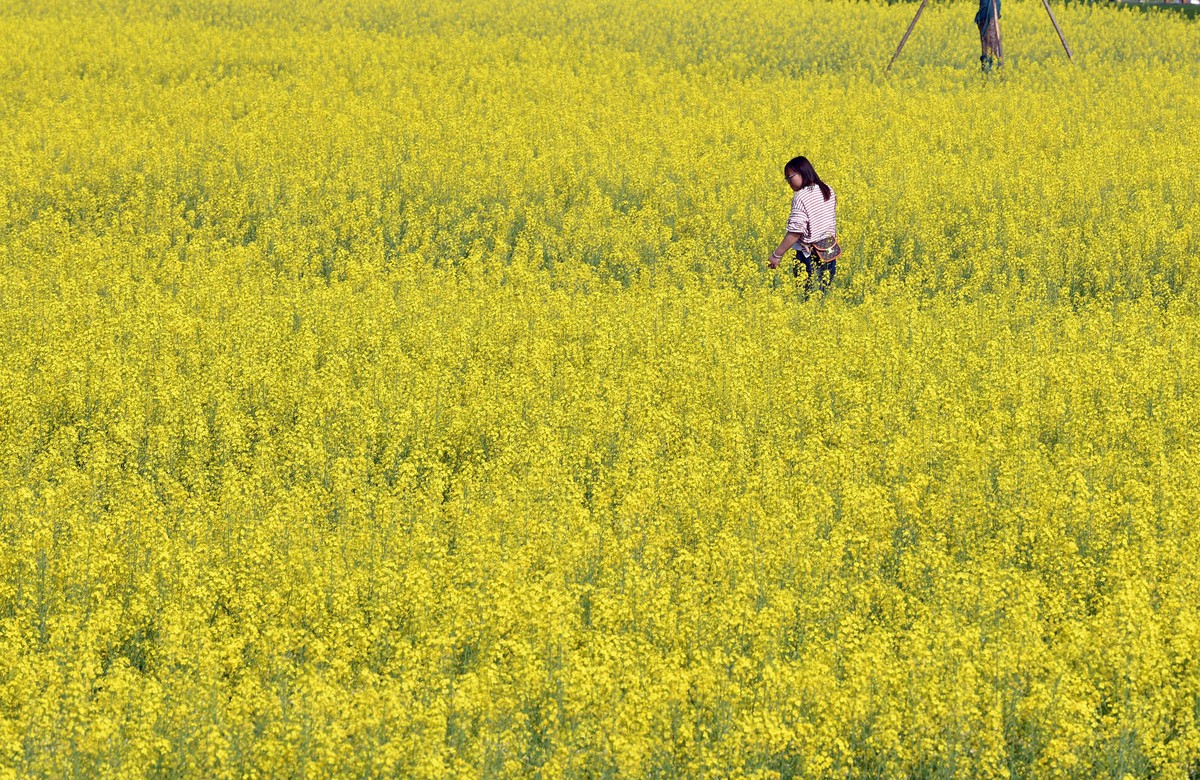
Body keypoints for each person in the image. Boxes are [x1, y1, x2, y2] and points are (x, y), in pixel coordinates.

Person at [766, 156, 838, 294]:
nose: (788, 181)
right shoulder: (827, 189)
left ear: (802, 172)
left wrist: (777, 255)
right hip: (829, 251)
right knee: (822, 295)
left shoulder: (801, 196)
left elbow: (795, 231)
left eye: (790, 177)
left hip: (808, 255)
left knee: (806, 296)